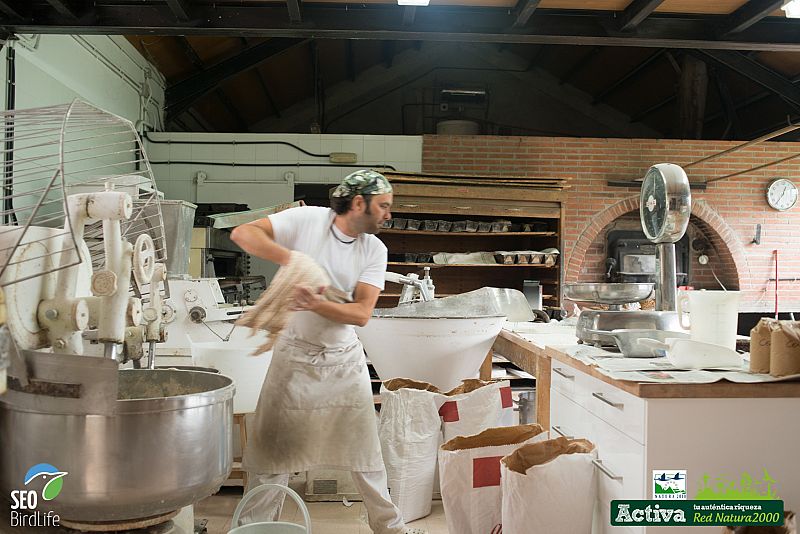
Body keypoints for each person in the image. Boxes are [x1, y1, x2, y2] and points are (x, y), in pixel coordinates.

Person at [230, 170, 427, 534]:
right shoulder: (307, 221)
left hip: (342, 361)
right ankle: (253, 527)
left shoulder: (374, 249)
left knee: (365, 457)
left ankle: (391, 529)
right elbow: (243, 233)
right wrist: (296, 263)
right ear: (358, 204)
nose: (388, 214)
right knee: (273, 455)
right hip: (293, 359)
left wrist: (317, 303)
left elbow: (361, 313)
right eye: (383, 206)